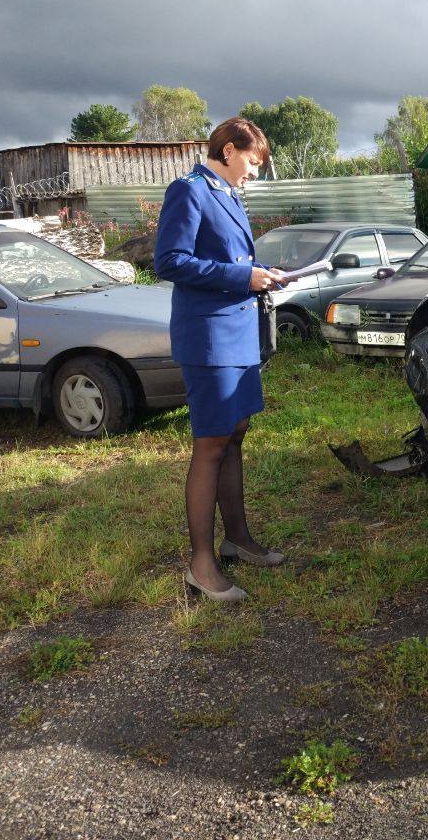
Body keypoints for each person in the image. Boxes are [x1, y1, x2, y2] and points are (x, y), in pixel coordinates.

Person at [154, 117, 287, 603]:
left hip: (237, 334)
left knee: (235, 434)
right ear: (229, 150)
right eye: (253, 162)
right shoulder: (188, 190)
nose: (255, 172)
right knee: (210, 444)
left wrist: (261, 276)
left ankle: (237, 539)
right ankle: (201, 564)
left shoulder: (227, 194)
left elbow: (231, 261)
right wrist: (242, 276)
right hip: (208, 339)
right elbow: (169, 261)